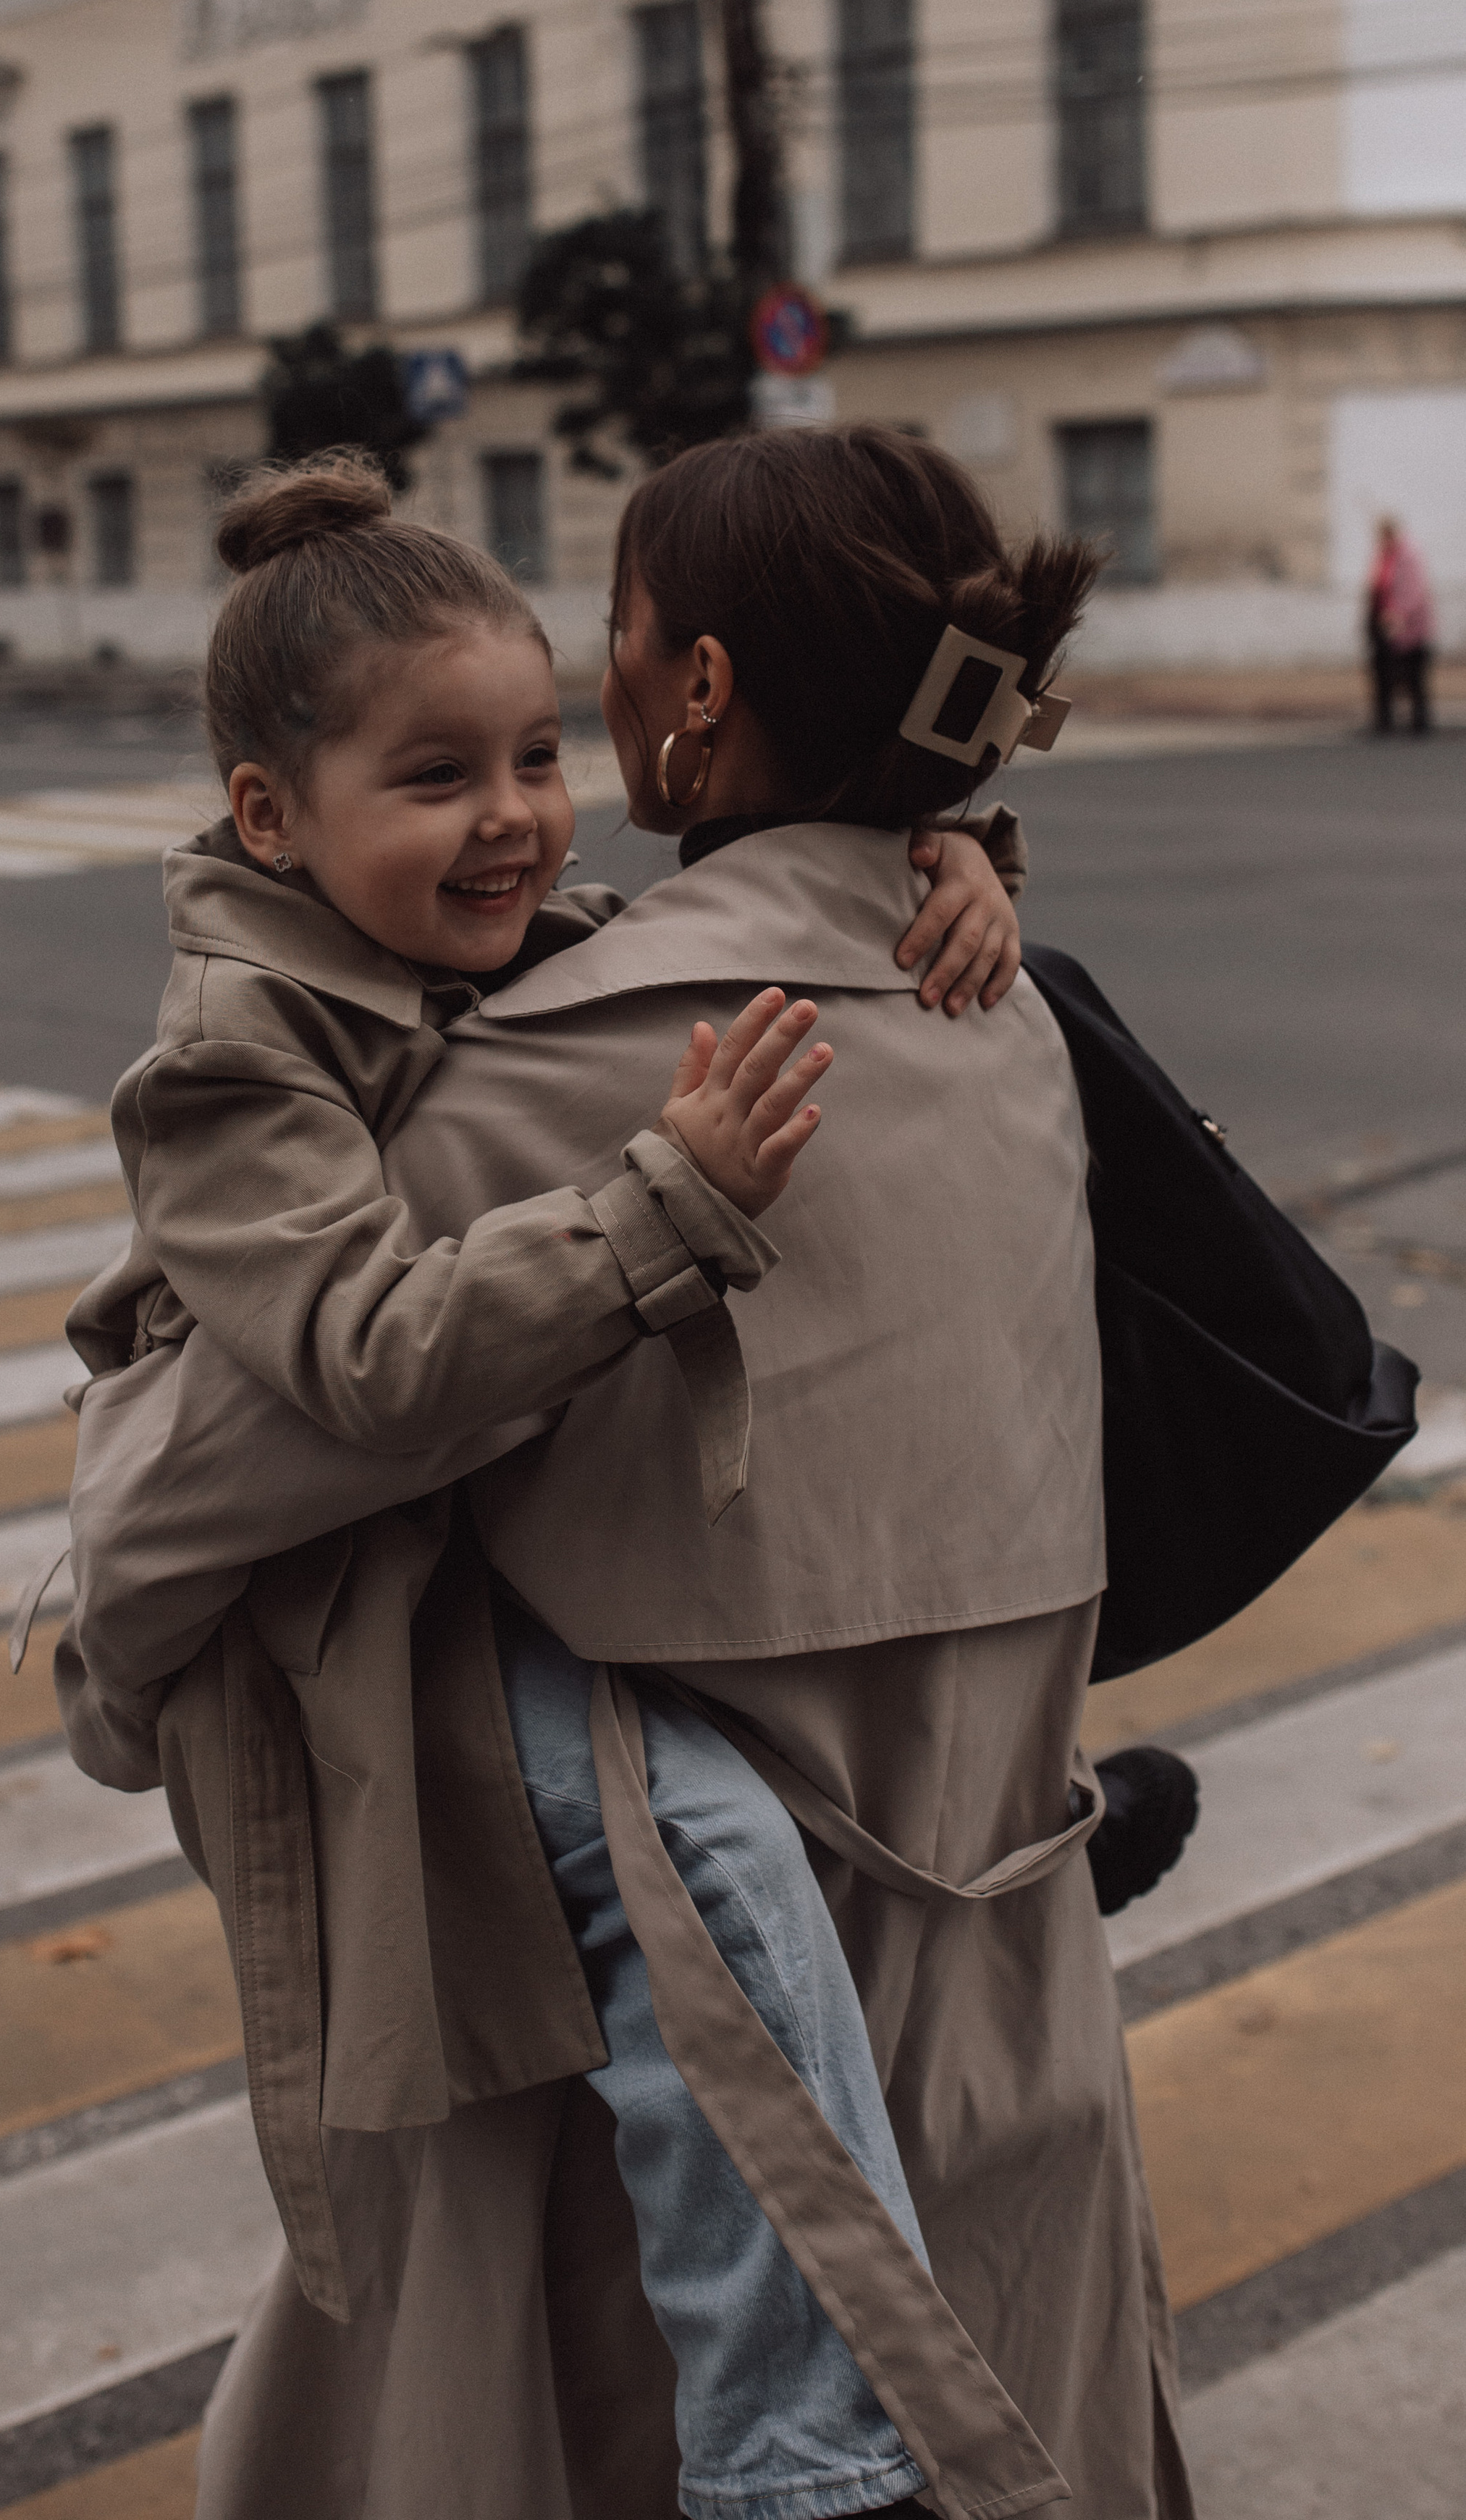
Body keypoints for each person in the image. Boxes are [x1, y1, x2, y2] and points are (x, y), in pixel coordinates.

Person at [58, 427, 1195, 2520]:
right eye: (440, 774)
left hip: (667, 2085)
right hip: (1008, 2007)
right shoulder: (995, 997)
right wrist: (948, 851)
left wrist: (104, 1676)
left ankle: (788, 2462)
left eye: (607, 648)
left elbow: (179, 1493)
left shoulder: (606, 1060)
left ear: (694, 688)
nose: (524, 790)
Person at [1365, 515, 1434, 734]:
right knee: (1384, 674)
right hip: (1386, 624)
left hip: (1406, 627)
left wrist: (1397, 615)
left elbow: (1413, 591)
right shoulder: (1385, 556)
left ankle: (1419, 721)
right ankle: (1385, 720)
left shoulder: (1407, 556)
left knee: (1414, 675)